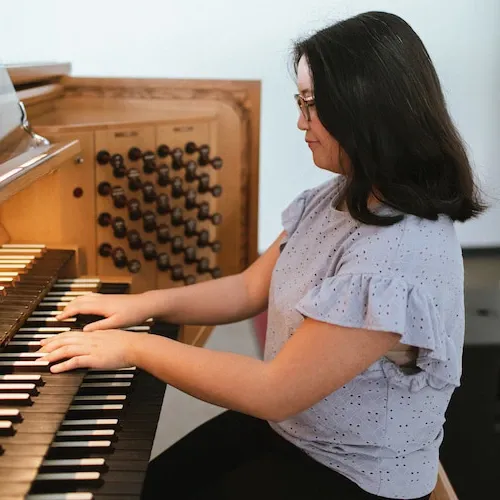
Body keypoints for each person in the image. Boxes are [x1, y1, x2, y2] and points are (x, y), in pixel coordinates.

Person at [38, 10, 486, 500]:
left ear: (365, 107)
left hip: (352, 474)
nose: (301, 121)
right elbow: (249, 288)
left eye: (313, 104)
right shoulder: (340, 195)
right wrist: (144, 305)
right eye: (302, 100)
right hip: (297, 432)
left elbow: (274, 390)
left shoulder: (397, 254)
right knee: (137, 487)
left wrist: (134, 348)